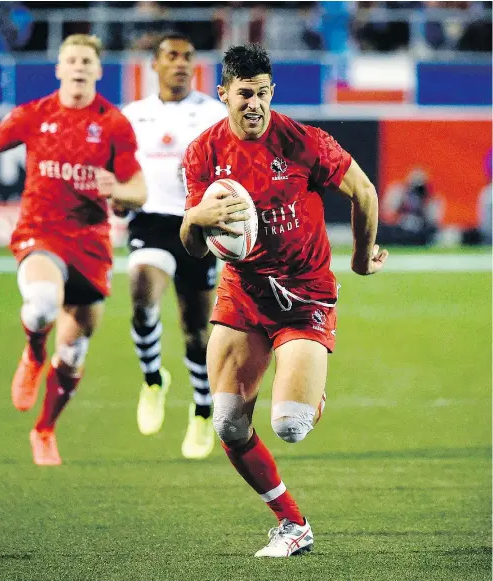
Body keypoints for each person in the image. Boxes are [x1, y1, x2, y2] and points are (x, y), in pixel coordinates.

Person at [180, 44, 388, 557]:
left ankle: (309, 391)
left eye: (264, 93)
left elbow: (364, 191)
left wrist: (361, 259)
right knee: (227, 421)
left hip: (304, 294)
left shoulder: (302, 142)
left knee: (289, 426)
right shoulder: (202, 153)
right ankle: (292, 524)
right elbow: (192, 245)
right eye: (245, 94)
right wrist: (192, 222)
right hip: (243, 293)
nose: (255, 104)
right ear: (223, 93)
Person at [0, 34, 146, 466]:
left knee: (74, 352)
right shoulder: (35, 114)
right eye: (72, 59)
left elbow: (138, 190)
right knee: (43, 303)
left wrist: (119, 190)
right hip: (41, 233)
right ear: (59, 68)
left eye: (88, 60)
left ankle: (45, 430)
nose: (80, 66)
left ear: (99, 70)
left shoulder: (113, 123)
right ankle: (32, 351)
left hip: (90, 244)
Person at [121, 32, 227, 459]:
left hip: (197, 224)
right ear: (155, 64)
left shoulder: (214, 114)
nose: (180, 63)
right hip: (150, 218)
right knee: (142, 292)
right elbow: (120, 169)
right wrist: (116, 196)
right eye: (171, 56)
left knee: (196, 331)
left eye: (187, 56)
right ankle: (152, 380)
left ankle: (202, 409)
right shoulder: (132, 115)